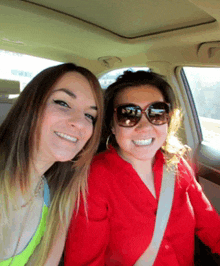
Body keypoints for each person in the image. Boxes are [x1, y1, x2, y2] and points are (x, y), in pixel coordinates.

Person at [64, 70, 220, 266]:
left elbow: (213, 228)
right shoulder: (96, 177)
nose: (144, 127)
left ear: (168, 119)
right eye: (128, 115)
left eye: (156, 113)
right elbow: (85, 261)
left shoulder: (177, 165)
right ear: (112, 125)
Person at [0, 63, 103, 266]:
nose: (80, 123)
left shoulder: (59, 202)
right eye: (63, 103)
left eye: (90, 115)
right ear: (31, 105)